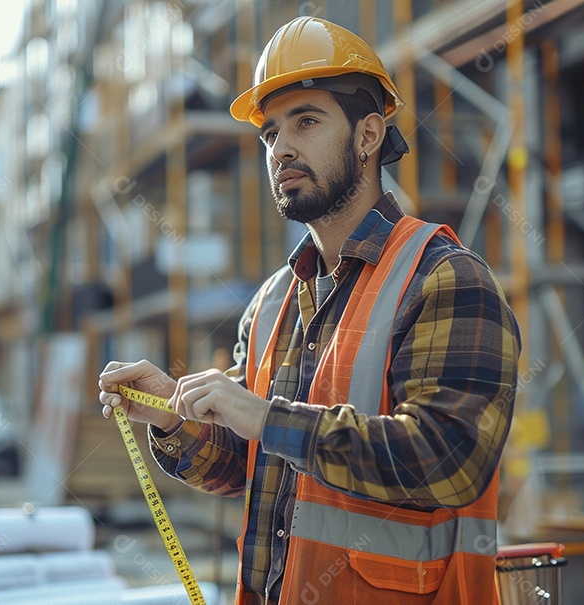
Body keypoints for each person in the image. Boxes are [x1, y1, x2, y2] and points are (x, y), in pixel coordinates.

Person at [99, 16, 520, 605]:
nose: (283, 147)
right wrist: (174, 414)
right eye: (270, 133)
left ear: (369, 135)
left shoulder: (448, 278)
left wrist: (266, 417)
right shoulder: (272, 303)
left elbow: (446, 463)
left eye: (307, 121)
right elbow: (243, 466)